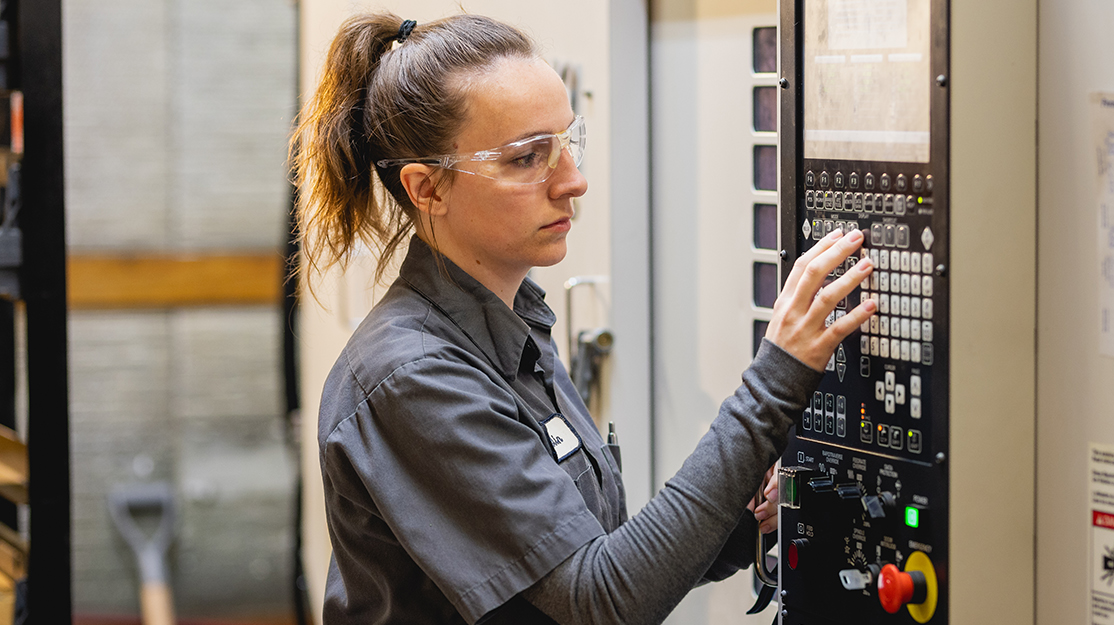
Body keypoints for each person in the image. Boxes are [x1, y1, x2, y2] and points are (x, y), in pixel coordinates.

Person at [292, 11, 875, 625]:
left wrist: (741, 518)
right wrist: (773, 385)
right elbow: (600, 601)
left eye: (567, 144)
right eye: (526, 158)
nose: (573, 181)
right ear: (427, 189)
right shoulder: (409, 376)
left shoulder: (514, 326)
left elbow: (594, 561)